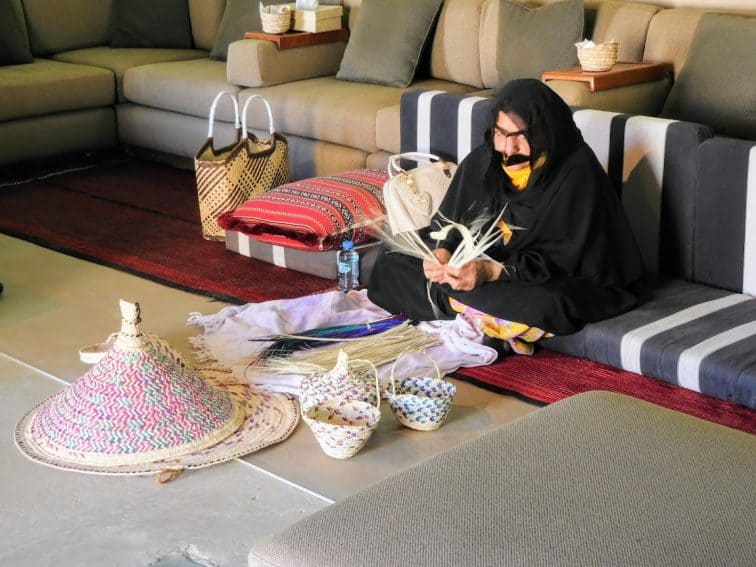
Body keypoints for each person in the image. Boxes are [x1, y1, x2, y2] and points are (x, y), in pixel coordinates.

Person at [368, 79, 645, 355]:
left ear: (545, 132)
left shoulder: (575, 172)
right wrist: (443, 253)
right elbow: (451, 219)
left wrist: (489, 272)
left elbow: (561, 260)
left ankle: (458, 305)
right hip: (484, 266)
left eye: (520, 136)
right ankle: (482, 315)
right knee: (391, 256)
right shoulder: (488, 157)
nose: (508, 148)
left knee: (550, 304)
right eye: (501, 133)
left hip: (547, 276)